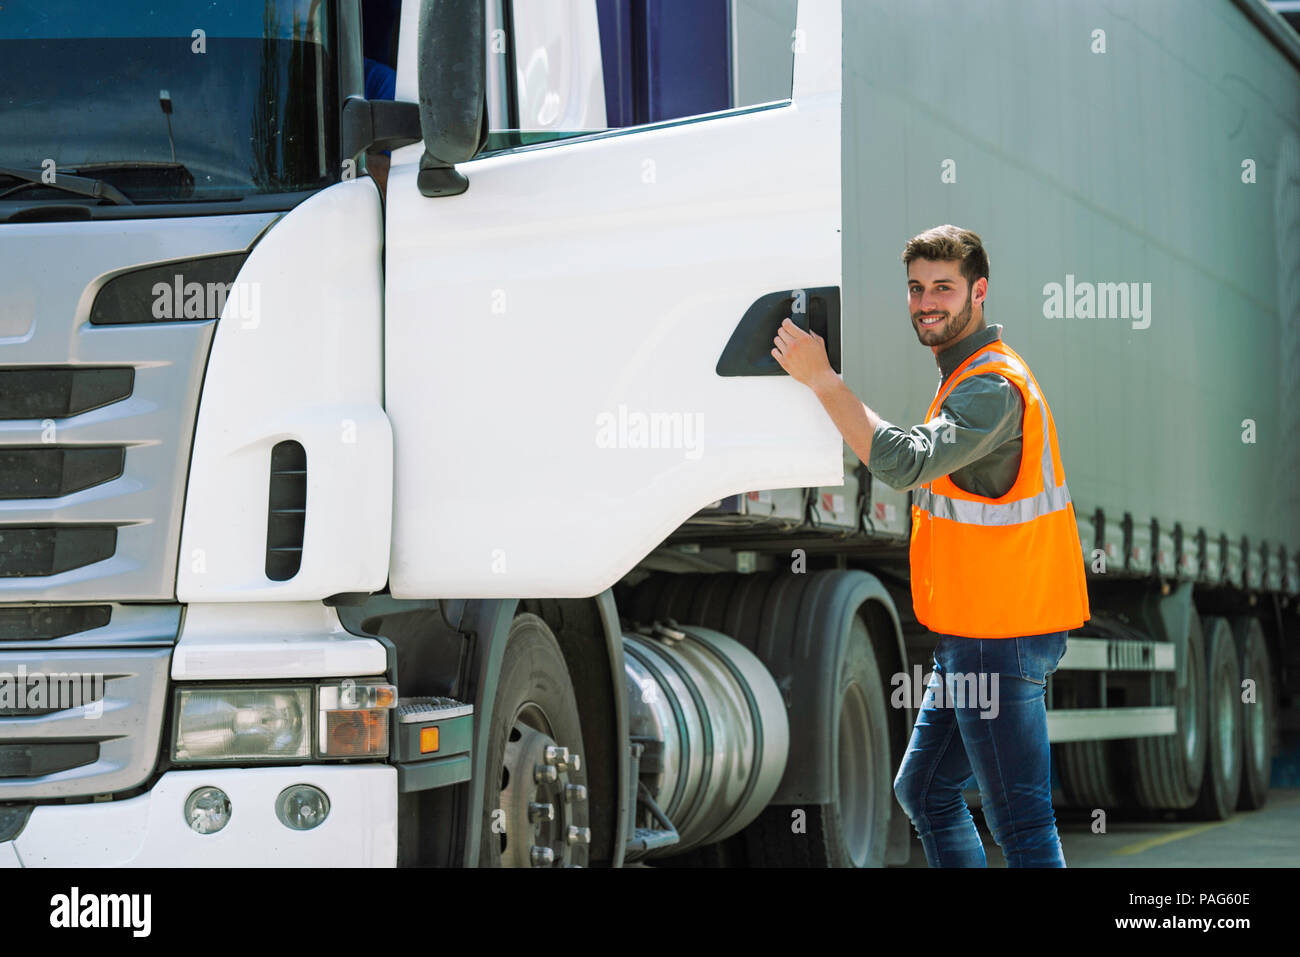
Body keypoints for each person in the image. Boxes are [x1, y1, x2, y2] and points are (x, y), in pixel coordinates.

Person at [771, 224, 1090, 867]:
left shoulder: (991, 387)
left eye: (943, 287)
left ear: (980, 292)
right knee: (922, 789)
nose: (926, 302)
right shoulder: (964, 377)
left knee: (1022, 824)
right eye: (916, 288)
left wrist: (823, 382)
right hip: (975, 632)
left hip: (999, 636)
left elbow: (905, 461)